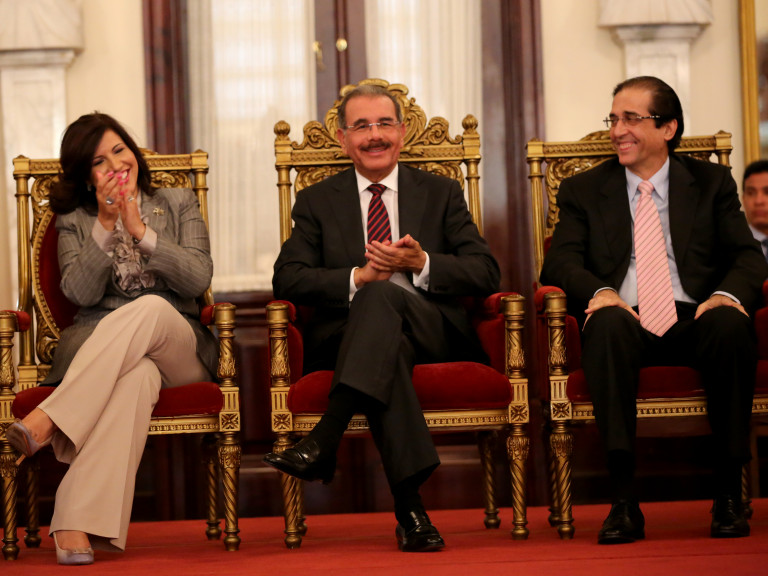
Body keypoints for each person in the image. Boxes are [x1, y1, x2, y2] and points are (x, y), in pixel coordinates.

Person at [263, 84, 500, 552]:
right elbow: (286, 278)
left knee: (380, 301)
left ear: (402, 131)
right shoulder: (317, 201)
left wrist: (421, 263)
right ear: (342, 138)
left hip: (432, 330)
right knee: (377, 312)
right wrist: (359, 277)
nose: (375, 135)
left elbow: (486, 271)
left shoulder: (440, 192)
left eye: (384, 123)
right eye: (362, 126)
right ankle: (411, 511)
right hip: (352, 339)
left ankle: (325, 436)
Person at [540, 76, 768, 544]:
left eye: (631, 119)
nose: (617, 130)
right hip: (625, 315)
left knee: (730, 325)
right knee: (606, 324)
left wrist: (725, 296)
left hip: (695, 315)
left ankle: (729, 493)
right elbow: (559, 261)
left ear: (668, 128)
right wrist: (602, 291)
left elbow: (747, 257)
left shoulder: (710, 183)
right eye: (613, 119)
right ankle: (623, 501)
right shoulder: (585, 189)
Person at [6, 113, 217, 565]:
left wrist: (141, 232)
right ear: (87, 177)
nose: (116, 165)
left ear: (133, 152)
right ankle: (72, 522)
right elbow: (79, 294)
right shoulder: (74, 219)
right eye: (100, 161)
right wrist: (105, 226)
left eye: (120, 150)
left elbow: (198, 277)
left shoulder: (177, 201)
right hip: (111, 357)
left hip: (179, 348)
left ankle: (51, 418)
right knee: (136, 378)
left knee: (153, 307)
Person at [741, 159, 768, 260]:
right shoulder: (730, 247)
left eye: (767, 192)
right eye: (751, 193)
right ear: (743, 199)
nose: (758, 201)